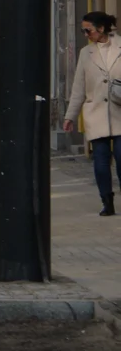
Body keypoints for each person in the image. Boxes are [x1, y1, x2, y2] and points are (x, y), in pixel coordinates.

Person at [64, 11, 121, 216]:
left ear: (101, 28)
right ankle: (107, 201)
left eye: (87, 30)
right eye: (83, 30)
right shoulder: (85, 53)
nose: (85, 34)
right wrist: (70, 116)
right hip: (96, 115)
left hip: (119, 113)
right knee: (101, 162)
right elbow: (78, 88)